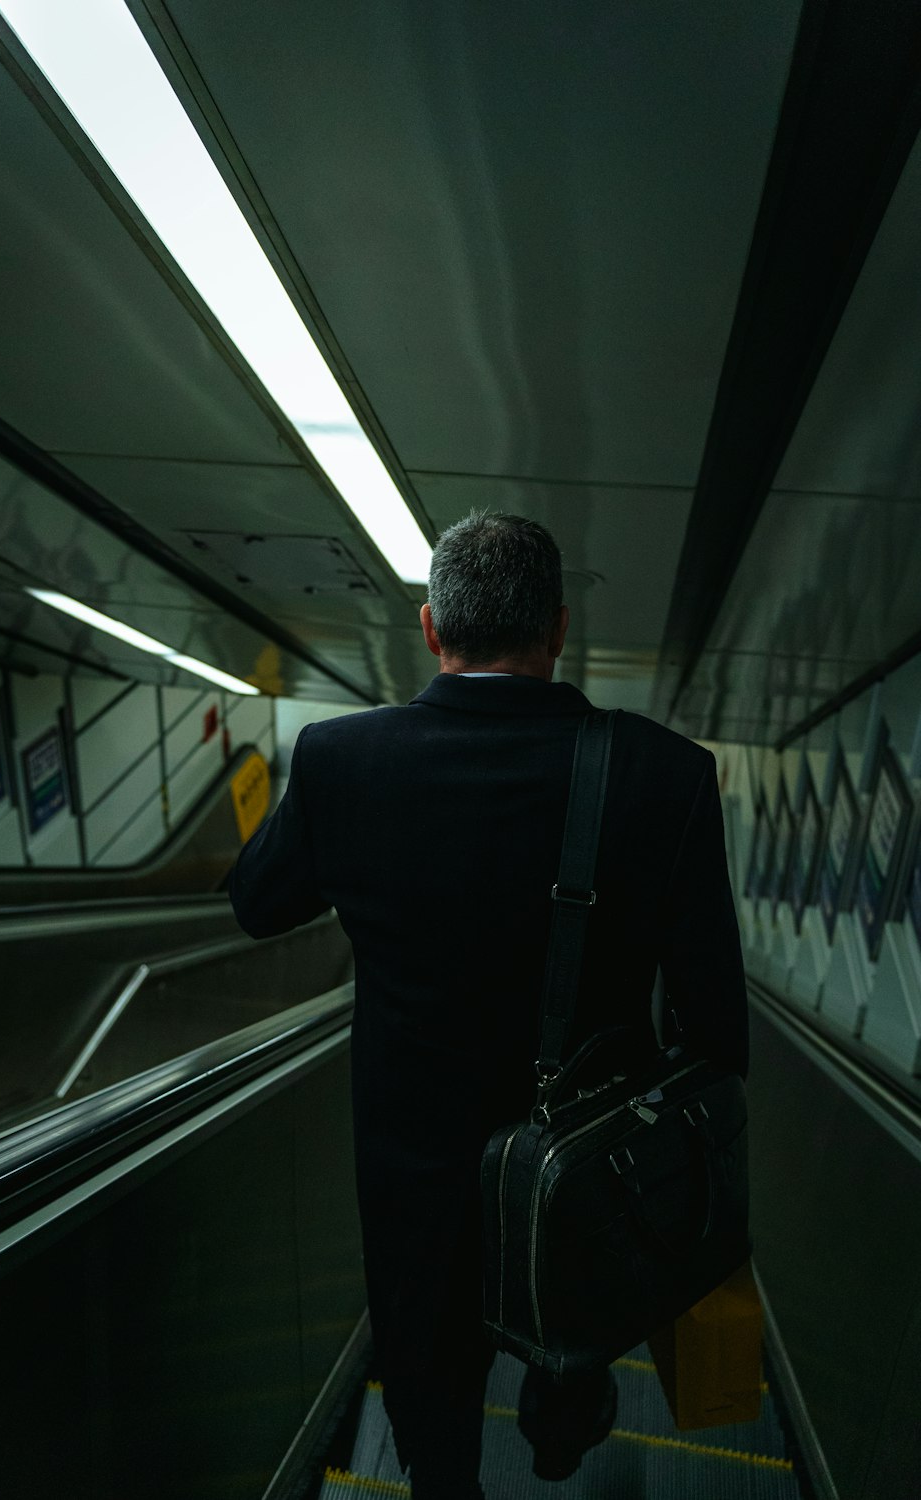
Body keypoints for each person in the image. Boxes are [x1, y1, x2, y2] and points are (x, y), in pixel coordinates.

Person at [229, 511, 748, 1499]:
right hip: (596, 1154)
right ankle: (565, 1410)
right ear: (557, 631)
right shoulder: (665, 773)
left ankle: (446, 1478)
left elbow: (259, 904)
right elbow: (715, 1018)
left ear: (431, 628)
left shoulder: (341, 760)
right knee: (581, 1301)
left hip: (414, 1167)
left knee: (431, 1379)